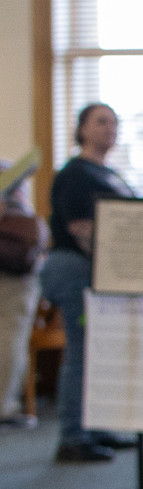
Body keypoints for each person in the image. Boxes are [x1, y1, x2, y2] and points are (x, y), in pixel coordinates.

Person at [39, 102, 136, 462]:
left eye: (114, 122)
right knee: (81, 353)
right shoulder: (76, 174)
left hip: (103, 272)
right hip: (75, 269)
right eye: (100, 122)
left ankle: (96, 428)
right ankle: (71, 436)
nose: (109, 129)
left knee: (100, 353)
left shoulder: (110, 174)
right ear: (81, 129)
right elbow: (82, 229)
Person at [0, 155, 45, 430]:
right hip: (11, 272)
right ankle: (3, 406)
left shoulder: (8, 169)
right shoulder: (6, 173)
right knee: (9, 338)